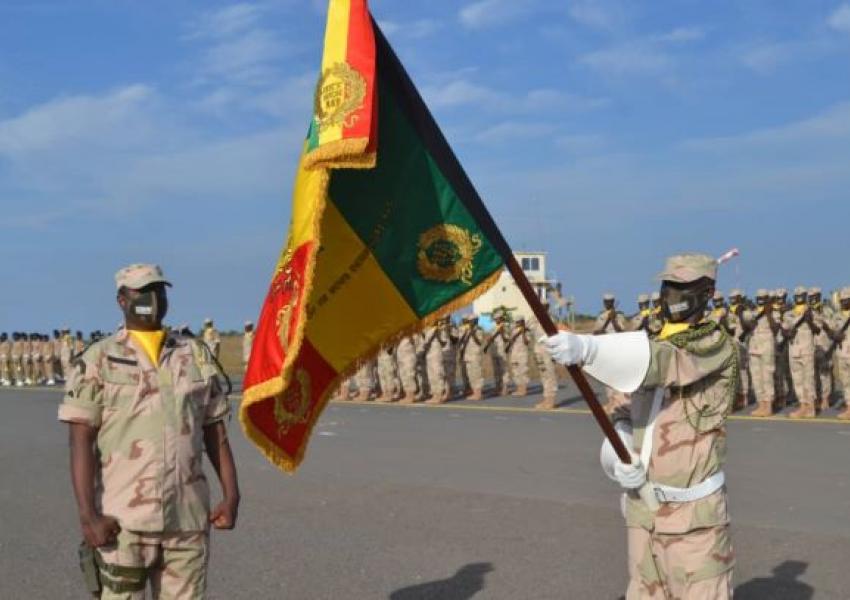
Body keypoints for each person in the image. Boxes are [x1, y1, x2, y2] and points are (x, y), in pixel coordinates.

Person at [543, 253, 737, 599]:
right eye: (670, 287)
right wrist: (618, 456)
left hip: (693, 520)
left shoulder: (714, 342)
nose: (674, 296)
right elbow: (620, 409)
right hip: (644, 510)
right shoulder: (650, 340)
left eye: (685, 288)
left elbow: (660, 363)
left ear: (708, 293)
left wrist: (587, 347)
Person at [58, 263, 239, 598]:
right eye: (143, 292)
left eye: (158, 291)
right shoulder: (99, 359)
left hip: (187, 519)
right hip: (123, 521)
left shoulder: (194, 354)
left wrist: (231, 495)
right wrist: (88, 515)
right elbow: (79, 441)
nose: (153, 299)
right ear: (122, 300)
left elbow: (215, 432)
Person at [781, 287, 819, 418]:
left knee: (808, 379)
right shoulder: (788, 313)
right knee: (797, 379)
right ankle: (803, 406)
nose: (798, 297)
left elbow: (818, 330)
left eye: (801, 295)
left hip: (807, 349)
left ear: (805, 295)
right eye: (796, 295)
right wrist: (788, 333)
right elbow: (783, 330)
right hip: (793, 350)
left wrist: (809, 321)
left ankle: (810, 407)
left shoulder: (812, 312)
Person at [743, 290, 780, 417]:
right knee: (756, 377)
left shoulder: (774, 312)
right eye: (758, 297)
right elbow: (746, 327)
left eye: (763, 298)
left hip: (767, 348)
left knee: (767, 376)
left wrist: (768, 313)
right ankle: (761, 405)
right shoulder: (753, 313)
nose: (760, 300)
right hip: (754, 347)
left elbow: (775, 329)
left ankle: (768, 405)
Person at [594, 294, 628, 413]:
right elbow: (596, 332)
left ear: (613, 301)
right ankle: (610, 401)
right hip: (605, 349)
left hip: (617, 349)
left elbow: (621, 331)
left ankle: (617, 402)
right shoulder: (601, 316)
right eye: (606, 301)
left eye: (610, 301)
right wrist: (605, 322)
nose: (608, 303)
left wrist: (613, 319)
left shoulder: (619, 315)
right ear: (604, 302)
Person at [809, 287, 834, 410]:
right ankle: (816, 398)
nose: (813, 299)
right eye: (810, 297)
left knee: (824, 373)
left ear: (819, 296)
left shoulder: (826, 311)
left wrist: (821, 316)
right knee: (812, 374)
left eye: (815, 296)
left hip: (824, 345)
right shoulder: (807, 311)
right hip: (810, 346)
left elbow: (831, 328)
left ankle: (825, 399)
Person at [832, 287, 850, 420]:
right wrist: (835, 335)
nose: (844, 303)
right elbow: (831, 332)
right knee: (846, 382)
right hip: (842, 353)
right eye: (842, 300)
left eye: (846, 300)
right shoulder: (837, 316)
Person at [487, 307, 513, 396]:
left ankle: (505, 387)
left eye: (498, 318)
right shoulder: (494, 328)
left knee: (503, 369)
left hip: (502, 350)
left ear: (502, 318)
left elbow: (507, 339)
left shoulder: (505, 327)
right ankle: (498, 387)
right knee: (496, 370)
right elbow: (490, 339)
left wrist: (501, 332)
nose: (496, 320)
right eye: (495, 319)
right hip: (494, 350)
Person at [459, 316, 484, 401]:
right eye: (469, 321)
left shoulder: (479, 330)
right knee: (471, 375)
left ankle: (478, 394)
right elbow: (462, 342)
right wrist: (466, 332)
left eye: (471, 321)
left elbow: (479, 342)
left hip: (475, 355)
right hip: (468, 355)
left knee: (477, 374)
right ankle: (474, 392)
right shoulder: (468, 329)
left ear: (475, 321)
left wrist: (472, 332)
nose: (469, 322)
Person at [508, 317, 531, 397]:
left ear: (523, 322)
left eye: (519, 322)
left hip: (522, 353)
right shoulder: (514, 331)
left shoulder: (526, 331)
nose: (517, 324)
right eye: (516, 322)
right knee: (516, 372)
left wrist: (523, 332)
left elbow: (526, 342)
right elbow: (511, 341)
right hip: (514, 353)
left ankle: (523, 390)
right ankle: (519, 389)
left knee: (522, 371)